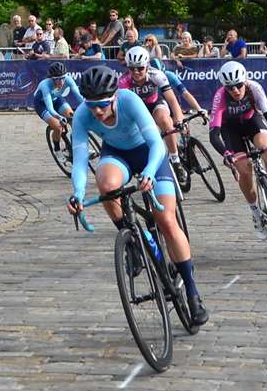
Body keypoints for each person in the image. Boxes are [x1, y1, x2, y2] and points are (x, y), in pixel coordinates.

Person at [67, 64, 208, 325]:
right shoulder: (82, 115)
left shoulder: (129, 100)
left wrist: (151, 173)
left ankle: (191, 290)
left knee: (165, 220)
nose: (97, 111)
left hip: (149, 155)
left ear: (114, 97)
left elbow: (156, 143)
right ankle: (131, 238)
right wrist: (76, 192)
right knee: (106, 185)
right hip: (117, 154)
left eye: (103, 104)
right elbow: (79, 160)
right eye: (91, 104)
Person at [208, 60, 267, 239]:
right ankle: (256, 213)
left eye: (238, 85)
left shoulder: (254, 88)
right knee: (244, 169)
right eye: (230, 87)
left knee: (266, 149)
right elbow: (214, 134)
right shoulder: (220, 96)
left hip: (251, 122)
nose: (235, 90)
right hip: (230, 129)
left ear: (245, 81)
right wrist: (226, 154)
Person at [117, 47, 184, 160]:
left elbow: (172, 99)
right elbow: (121, 107)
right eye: (132, 68)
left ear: (147, 66)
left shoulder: (156, 74)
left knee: (164, 120)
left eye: (140, 68)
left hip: (154, 104)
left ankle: (175, 158)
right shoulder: (123, 81)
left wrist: (178, 118)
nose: (136, 72)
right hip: (136, 109)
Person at [31, 62, 83, 140]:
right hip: (42, 104)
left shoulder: (68, 79)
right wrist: (59, 117)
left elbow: (79, 96)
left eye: (63, 78)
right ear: (52, 78)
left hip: (56, 99)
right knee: (58, 127)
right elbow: (50, 109)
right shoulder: (45, 85)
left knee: (73, 120)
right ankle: (57, 149)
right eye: (57, 79)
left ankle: (77, 144)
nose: (61, 81)